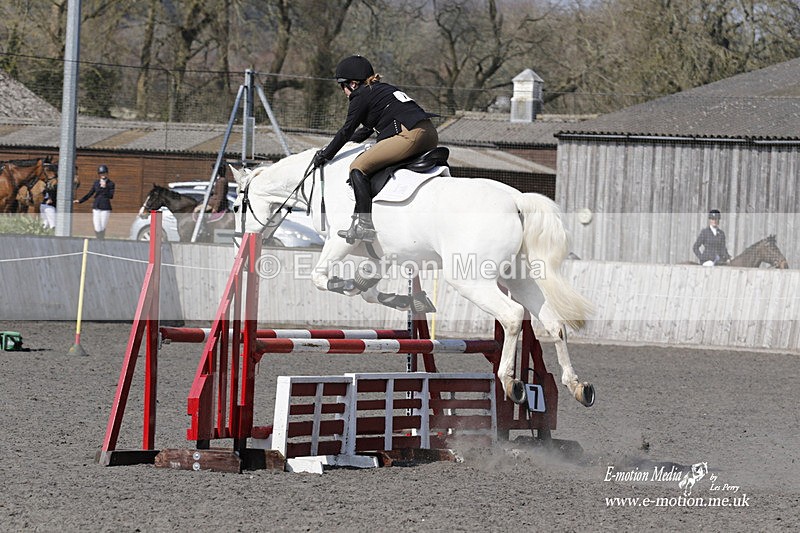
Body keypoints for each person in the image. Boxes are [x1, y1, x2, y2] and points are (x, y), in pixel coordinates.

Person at [311, 55, 439, 244]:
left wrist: (326, 154)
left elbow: (347, 130)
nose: (343, 91)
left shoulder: (360, 95)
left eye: (342, 86)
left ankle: (364, 225)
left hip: (409, 135)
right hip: (429, 133)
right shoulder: (382, 89)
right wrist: (344, 145)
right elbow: (365, 130)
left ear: (353, 84)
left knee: (358, 167)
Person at [75, 164, 115, 239]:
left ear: (107, 173)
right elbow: (90, 193)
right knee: (97, 227)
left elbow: (111, 196)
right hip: (96, 206)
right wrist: (80, 201)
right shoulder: (96, 183)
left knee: (102, 227)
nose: (103, 175)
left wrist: (105, 187)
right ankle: (98, 240)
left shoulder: (111, 184)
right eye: (101, 173)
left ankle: (101, 240)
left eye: (104, 173)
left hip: (105, 207)